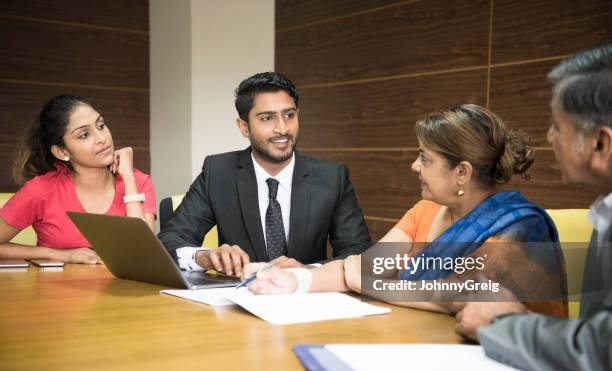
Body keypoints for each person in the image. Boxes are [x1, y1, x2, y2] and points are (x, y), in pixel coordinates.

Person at [244, 104, 566, 316]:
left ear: (462, 172)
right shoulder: (425, 210)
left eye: (425, 158)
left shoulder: (517, 228)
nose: (415, 166)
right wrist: (295, 281)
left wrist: (371, 284)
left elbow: (460, 299)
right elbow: (365, 268)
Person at [454, 44, 612, 371]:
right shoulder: (604, 213)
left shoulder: (519, 225)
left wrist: (503, 325)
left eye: (557, 126)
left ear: (600, 143)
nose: (550, 137)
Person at [158, 72, 371, 276]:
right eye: (267, 118)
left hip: (306, 302)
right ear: (244, 127)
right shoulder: (218, 173)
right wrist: (204, 256)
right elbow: (169, 240)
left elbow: (360, 253)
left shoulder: (331, 178)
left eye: (289, 115)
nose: (282, 129)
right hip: (237, 301)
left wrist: (309, 272)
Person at [0, 94, 156, 264]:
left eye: (101, 126)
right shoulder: (42, 190)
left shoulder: (137, 182)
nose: (102, 139)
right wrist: (58, 254)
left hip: (123, 289)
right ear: (62, 152)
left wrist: (128, 177)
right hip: (57, 288)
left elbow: (144, 253)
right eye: (84, 135)